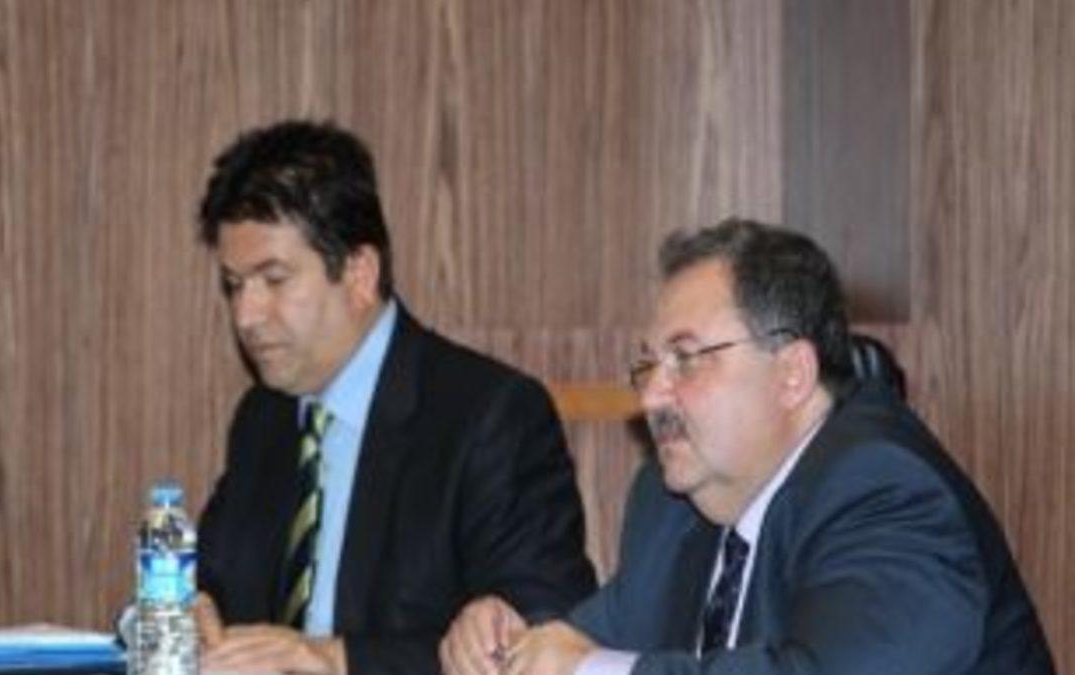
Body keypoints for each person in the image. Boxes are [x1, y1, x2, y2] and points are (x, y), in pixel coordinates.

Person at [440, 218, 1055, 675]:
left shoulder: (883, 488)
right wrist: (510, 641)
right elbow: (592, 640)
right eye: (648, 366)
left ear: (791, 374)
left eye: (686, 359)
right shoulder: (674, 499)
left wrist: (592, 670)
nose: (651, 397)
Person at [192, 120, 597, 675]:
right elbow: (205, 583)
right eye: (234, 285)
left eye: (274, 279)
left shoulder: (489, 417)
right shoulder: (263, 419)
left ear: (359, 274)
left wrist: (333, 659)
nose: (246, 316)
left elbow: (540, 640)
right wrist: (190, 612)